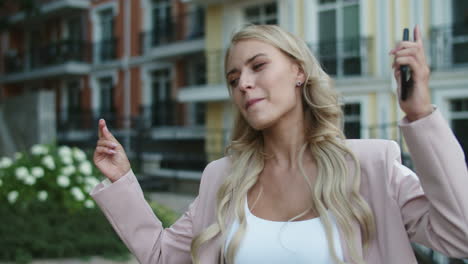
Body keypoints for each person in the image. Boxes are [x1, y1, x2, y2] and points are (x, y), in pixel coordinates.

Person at [91, 25, 468, 264]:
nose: (243, 83)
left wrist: (419, 114)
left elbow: (459, 236)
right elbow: (162, 256)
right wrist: (124, 180)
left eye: (258, 66)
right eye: (234, 78)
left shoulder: (374, 166)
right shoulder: (221, 179)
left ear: (298, 71)